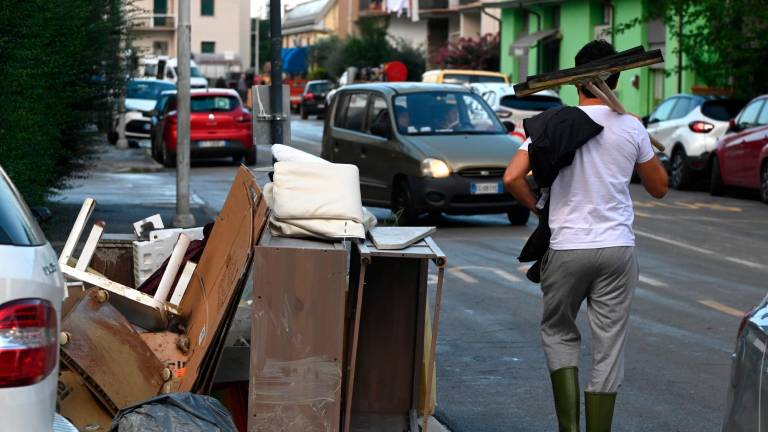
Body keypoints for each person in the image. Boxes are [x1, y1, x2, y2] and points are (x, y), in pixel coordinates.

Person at [503, 40, 668, 432]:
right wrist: (637, 142)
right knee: (609, 347)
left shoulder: (553, 125)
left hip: (566, 247)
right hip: (616, 248)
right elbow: (659, 187)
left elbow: (511, 177)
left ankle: (569, 429)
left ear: (575, 81)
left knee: (559, 332)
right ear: (617, 77)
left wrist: (540, 209)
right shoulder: (631, 127)